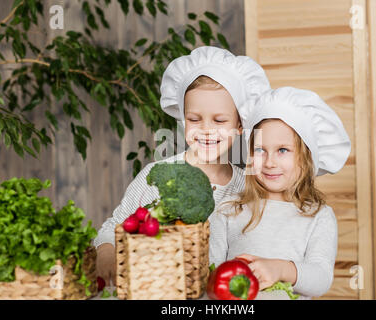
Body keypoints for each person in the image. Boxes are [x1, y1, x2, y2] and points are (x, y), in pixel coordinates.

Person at [94, 46, 271, 285]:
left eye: (219, 120)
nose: (206, 130)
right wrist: (106, 253)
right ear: (182, 119)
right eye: (194, 119)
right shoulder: (157, 176)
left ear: (240, 125)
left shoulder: (247, 186)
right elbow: (114, 226)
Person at [209, 87, 351, 299]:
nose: (269, 162)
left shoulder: (318, 216)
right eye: (260, 150)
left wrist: (281, 269)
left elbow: (321, 278)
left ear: (306, 158)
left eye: (282, 150)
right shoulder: (227, 210)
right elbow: (210, 275)